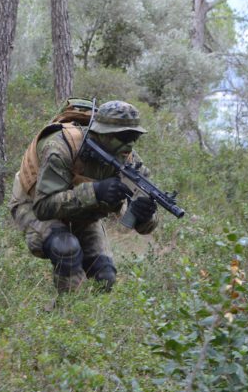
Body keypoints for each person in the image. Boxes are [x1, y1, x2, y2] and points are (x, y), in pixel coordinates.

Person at [9, 100, 159, 294]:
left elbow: (143, 227)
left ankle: (94, 321)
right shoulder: (60, 147)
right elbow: (43, 207)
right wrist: (95, 192)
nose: (129, 143)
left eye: (134, 136)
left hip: (84, 211)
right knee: (66, 248)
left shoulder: (129, 160)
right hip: (33, 203)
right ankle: (67, 315)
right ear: (101, 133)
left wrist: (145, 215)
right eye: (123, 136)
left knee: (105, 276)